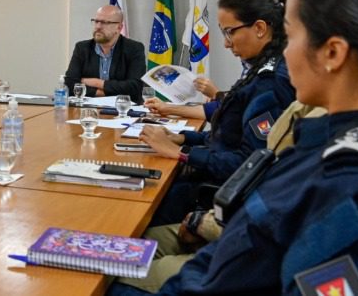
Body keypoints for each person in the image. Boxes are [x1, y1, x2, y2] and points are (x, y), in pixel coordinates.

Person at [108, 0, 358, 296]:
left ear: (332, 52)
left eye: (291, 35)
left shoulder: (344, 181)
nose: (286, 53)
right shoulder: (320, 143)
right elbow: (245, 240)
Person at [118, 101, 326, 293]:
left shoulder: (326, 141)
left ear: (333, 59)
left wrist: (203, 223)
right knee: (121, 247)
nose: (288, 58)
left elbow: (274, 223)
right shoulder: (310, 111)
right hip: (230, 229)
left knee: (113, 276)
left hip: (245, 256)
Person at [142, 0, 295, 226]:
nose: (226, 43)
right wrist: (182, 138)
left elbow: (250, 165)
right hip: (208, 181)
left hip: (218, 198)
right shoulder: (259, 69)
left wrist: (180, 155)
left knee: (143, 212)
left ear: (260, 28)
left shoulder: (271, 83)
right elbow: (228, 138)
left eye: (230, 32)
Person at [64, 5, 146, 102]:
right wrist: (102, 93)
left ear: (119, 27)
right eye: (96, 21)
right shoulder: (82, 48)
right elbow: (70, 83)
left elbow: (135, 86)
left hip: (124, 110)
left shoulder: (134, 49)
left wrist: (98, 83)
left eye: (104, 23)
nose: (98, 26)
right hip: (88, 109)